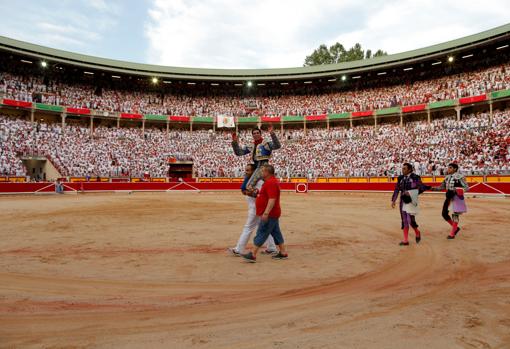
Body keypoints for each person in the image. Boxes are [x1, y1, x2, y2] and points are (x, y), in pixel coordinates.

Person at [242, 165, 288, 263]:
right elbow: (265, 195)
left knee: (262, 232)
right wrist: (256, 192)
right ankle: (283, 252)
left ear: (267, 172)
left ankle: (253, 254)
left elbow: (272, 199)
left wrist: (266, 213)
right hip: (272, 213)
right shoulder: (270, 182)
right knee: (276, 233)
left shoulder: (271, 182)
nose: (261, 173)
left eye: (262, 171)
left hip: (270, 213)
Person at [228, 163, 277, 256]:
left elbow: (259, 195)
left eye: (248, 170)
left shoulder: (258, 182)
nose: (246, 172)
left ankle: (239, 249)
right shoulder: (254, 181)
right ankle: (272, 248)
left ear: (254, 172)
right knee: (265, 228)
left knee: (248, 227)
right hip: (256, 207)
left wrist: (248, 192)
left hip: (256, 208)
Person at [231, 125, 281, 191]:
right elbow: (239, 153)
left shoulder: (266, 143)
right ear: (252, 135)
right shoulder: (252, 145)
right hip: (255, 166)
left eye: (257, 133)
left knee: (249, 186)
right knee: (243, 188)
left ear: (260, 134)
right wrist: (235, 143)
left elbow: (277, 146)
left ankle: (259, 197)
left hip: (263, 166)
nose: (256, 134)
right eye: (254, 133)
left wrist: (272, 134)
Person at [391, 163, 429, 246]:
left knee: (410, 220)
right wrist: (393, 200)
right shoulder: (400, 178)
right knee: (404, 220)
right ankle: (405, 240)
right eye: (402, 168)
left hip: (411, 201)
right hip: (402, 200)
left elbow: (421, 187)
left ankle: (417, 232)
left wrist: (412, 194)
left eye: (404, 168)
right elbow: (397, 189)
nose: (402, 170)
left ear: (409, 169)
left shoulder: (415, 177)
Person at [431, 163, 469, 239]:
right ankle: (455, 228)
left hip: (457, 198)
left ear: (455, 169)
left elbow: (466, 187)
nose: (448, 169)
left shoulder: (460, 177)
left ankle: (452, 233)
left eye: (450, 168)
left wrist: (456, 191)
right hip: (448, 197)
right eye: (448, 168)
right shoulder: (447, 177)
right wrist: (433, 188)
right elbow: (442, 187)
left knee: (455, 214)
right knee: (444, 213)